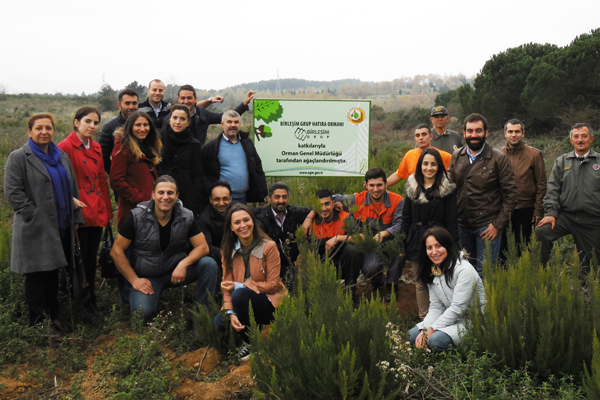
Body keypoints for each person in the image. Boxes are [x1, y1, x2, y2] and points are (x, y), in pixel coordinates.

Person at [4, 113, 83, 331]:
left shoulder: (61, 156)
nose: (44, 132)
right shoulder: (19, 157)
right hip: (36, 227)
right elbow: (13, 191)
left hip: (61, 224)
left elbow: (72, 188)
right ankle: (39, 323)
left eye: (48, 128)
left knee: (53, 272)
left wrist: (75, 218)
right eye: (39, 128)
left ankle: (54, 316)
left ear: (53, 131)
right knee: (37, 276)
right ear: (30, 132)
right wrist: (33, 214)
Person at [110, 176, 218, 321]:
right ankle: (151, 298)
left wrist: (183, 264)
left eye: (170, 193)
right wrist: (134, 280)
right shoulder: (137, 217)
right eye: (161, 192)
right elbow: (116, 251)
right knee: (142, 314)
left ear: (177, 196)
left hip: (175, 272)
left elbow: (203, 247)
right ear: (153, 195)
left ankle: (201, 316)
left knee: (208, 264)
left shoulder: (186, 216)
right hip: (148, 277)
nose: (165, 197)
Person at [58, 106, 114, 322]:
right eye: (87, 121)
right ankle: (78, 300)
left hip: (96, 210)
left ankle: (89, 299)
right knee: (76, 258)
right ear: (76, 122)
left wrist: (108, 212)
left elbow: (101, 180)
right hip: (78, 212)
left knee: (91, 258)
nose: (92, 126)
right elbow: (61, 182)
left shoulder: (97, 147)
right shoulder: (65, 147)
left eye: (96, 122)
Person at [213, 204, 287, 359]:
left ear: (253, 222)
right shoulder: (227, 249)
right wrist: (231, 311)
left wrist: (240, 286)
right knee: (219, 323)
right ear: (231, 228)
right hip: (240, 301)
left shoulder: (269, 246)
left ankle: (251, 343)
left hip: (269, 303)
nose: (243, 225)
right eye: (237, 222)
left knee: (240, 294)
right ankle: (245, 330)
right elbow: (226, 285)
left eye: (246, 220)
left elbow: (273, 285)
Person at [448, 113, 518, 276]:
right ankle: (470, 302)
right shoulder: (457, 155)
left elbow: (512, 195)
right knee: (466, 272)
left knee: (485, 273)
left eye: (478, 131)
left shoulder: (498, 158)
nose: (474, 135)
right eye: (470, 131)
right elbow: (449, 186)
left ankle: (486, 302)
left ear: (486, 133)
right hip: (462, 225)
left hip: (487, 226)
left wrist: (497, 225)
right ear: (464, 133)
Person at [535, 123, 600, 275]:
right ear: (571, 141)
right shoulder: (562, 161)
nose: (580, 140)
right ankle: (540, 274)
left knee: (589, 267)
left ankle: (584, 291)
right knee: (542, 232)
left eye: (584, 136)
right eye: (576, 137)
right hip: (566, 217)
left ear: (591, 139)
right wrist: (551, 213)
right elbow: (552, 189)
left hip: (592, 220)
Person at [401, 147, 458, 319]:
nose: (429, 168)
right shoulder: (413, 186)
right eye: (425, 164)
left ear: (439, 166)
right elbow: (406, 217)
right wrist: (403, 242)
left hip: (440, 241)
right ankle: (424, 319)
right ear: (420, 165)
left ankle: (445, 318)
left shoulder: (446, 188)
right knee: (420, 282)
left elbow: (452, 220)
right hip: (417, 239)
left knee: (441, 280)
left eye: (433, 164)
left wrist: (453, 244)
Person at [408, 226, 485, 352]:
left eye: (438, 246)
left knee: (436, 341)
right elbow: (436, 306)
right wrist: (425, 329)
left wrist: (431, 331)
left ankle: (461, 360)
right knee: (412, 336)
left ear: (448, 246)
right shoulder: (434, 270)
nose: (434, 252)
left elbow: (458, 308)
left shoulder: (464, 270)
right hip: (451, 319)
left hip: (473, 320)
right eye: (429, 248)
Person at [331, 167, 404, 295]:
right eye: (372, 185)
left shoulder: (397, 201)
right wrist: (333, 203)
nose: (376, 189)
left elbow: (400, 225)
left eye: (379, 185)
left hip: (389, 242)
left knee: (400, 245)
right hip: (370, 245)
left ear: (386, 184)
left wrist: (384, 233)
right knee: (370, 268)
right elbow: (328, 197)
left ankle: (392, 285)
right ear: (365, 185)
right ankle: (377, 280)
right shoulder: (357, 200)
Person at [499, 119, 546, 258]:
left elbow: (542, 184)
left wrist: (538, 209)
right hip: (504, 210)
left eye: (517, 131)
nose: (514, 135)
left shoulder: (534, 155)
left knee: (524, 250)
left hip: (526, 209)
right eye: (510, 131)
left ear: (523, 133)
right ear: (505, 134)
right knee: (503, 251)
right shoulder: (498, 155)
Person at [200, 110, 267, 204]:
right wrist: (211, 190)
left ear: (239, 124)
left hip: (243, 199)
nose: (233, 125)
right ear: (222, 124)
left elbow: (257, 167)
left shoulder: (247, 143)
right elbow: (201, 173)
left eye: (236, 122)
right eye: (229, 122)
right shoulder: (210, 147)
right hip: (221, 201)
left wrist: (262, 193)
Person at [110, 111, 161, 229]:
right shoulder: (123, 148)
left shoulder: (147, 146)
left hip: (150, 208)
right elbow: (116, 180)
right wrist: (139, 197)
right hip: (132, 210)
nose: (142, 129)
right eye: (138, 125)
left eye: (145, 125)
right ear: (130, 126)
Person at [254, 182, 312, 284]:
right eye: (277, 197)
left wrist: (308, 220)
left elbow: (314, 209)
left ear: (288, 198)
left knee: (301, 284)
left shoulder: (293, 212)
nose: (281, 201)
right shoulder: (261, 217)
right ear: (269, 198)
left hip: (290, 265)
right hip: (268, 266)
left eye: (284, 197)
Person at [158, 104, 203, 215]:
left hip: (186, 195)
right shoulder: (158, 140)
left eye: (182, 119)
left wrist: (195, 194)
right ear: (169, 120)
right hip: (161, 193)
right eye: (175, 118)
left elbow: (197, 173)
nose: (178, 122)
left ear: (188, 123)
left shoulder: (194, 144)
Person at [312, 189, 361, 289]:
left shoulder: (345, 217)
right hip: (322, 266)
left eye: (327, 204)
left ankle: (350, 292)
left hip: (344, 264)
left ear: (333, 204)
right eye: (319, 205)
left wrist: (338, 238)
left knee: (353, 251)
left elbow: (362, 238)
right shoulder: (310, 222)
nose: (324, 208)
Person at [177, 84, 255, 145]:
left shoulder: (202, 114)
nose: (186, 101)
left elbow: (227, 116)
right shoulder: (172, 118)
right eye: (183, 98)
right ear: (178, 99)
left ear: (195, 99)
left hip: (198, 160)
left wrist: (244, 104)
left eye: (189, 98)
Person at [386, 124, 453, 187]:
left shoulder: (445, 156)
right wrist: (381, 185)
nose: (421, 138)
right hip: (416, 196)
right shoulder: (410, 155)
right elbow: (399, 174)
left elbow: (455, 176)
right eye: (418, 135)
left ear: (431, 137)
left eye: (424, 134)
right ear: (415, 138)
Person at [98, 88, 139, 174]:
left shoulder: (144, 125)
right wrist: (116, 175)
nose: (131, 107)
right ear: (119, 105)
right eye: (127, 103)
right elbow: (103, 157)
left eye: (134, 103)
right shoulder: (109, 127)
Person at [198, 181, 233, 267]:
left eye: (225, 199)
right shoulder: (203, 219)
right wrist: (227, 254)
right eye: (217, 199)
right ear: (210, 199)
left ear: (230, 199)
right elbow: (207, 246)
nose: (221, 203)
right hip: (216, 255)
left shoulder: (238, 211)